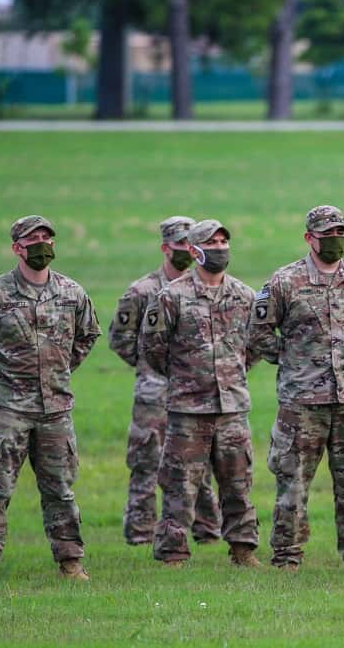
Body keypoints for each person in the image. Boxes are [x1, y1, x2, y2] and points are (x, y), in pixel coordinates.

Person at [251, 205, 344, 572]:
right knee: (293, 483)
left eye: (339, 232)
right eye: (326, 233)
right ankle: (287, 557)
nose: (334, 239)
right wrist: (295, 359)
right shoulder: (284, 282)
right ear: (309, 238)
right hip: (302, 402)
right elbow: (258, 333)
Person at [0, 215, 100, 580]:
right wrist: (4, 374)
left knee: (60, 489)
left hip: (56, 411)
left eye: (48, 237)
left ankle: (70, 562)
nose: (42, 244)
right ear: (17, 247)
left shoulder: (72, 292)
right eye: (34, 238)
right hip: (7, 410)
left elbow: (87, 336)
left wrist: (58, 370)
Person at [140, 219, 260, 567]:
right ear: (193, 251)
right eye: (212, 242)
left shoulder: (244, 295)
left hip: (232, 406)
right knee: (180, 484)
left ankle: (243, 549)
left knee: (238, 482)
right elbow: (154, 349)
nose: (220, 247)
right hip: (188, 408)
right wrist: (187, 377)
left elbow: (253, 346)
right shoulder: (171, 296)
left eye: (224, 241)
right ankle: (173, 553)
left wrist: (230, 373)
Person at [108, 216, 221, 546]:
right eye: (179, 246)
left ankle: (207, 531)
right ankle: (141, 534)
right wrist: (151, 368)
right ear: (165, 248)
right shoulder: (142, 291)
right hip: (154, 394)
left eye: (191, 245)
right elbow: (120, 339)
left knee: (200, 465)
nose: (186, 251)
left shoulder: (207, 288)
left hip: (198, 393)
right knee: (146, 462)